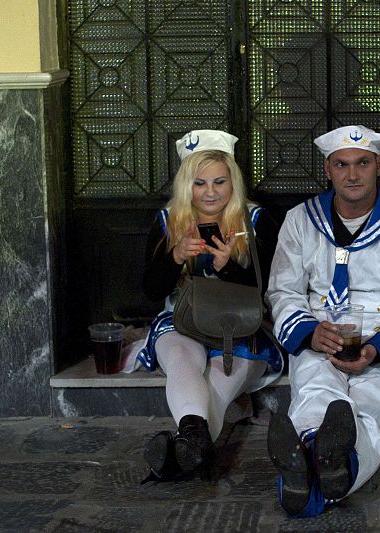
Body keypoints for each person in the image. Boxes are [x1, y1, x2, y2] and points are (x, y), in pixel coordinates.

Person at [266, 125, 380, 516]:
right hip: (322, 336)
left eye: (362, 163)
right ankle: (327, 460)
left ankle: (309, 476)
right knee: (315, 393)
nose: (352, 174)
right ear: (328, 169)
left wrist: (378, 350)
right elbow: (283, 291)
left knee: (369, 408)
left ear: (378, 165)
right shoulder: (300, 221)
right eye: (341, 164)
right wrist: (310, 333)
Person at [132, 129, 282, 482]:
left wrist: (228, 266)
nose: (210, 192)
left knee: (217, 383)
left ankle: (180, 457)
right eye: (200, 183)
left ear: (233, 182)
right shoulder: (169, 220)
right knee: (183, 358)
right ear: (187, 185)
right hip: (182, 321)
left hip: (242, 325)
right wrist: (174, 258)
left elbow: (275, 288)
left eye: (219, 181)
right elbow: (151, 290)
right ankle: (193, 450)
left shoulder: (257, 221)